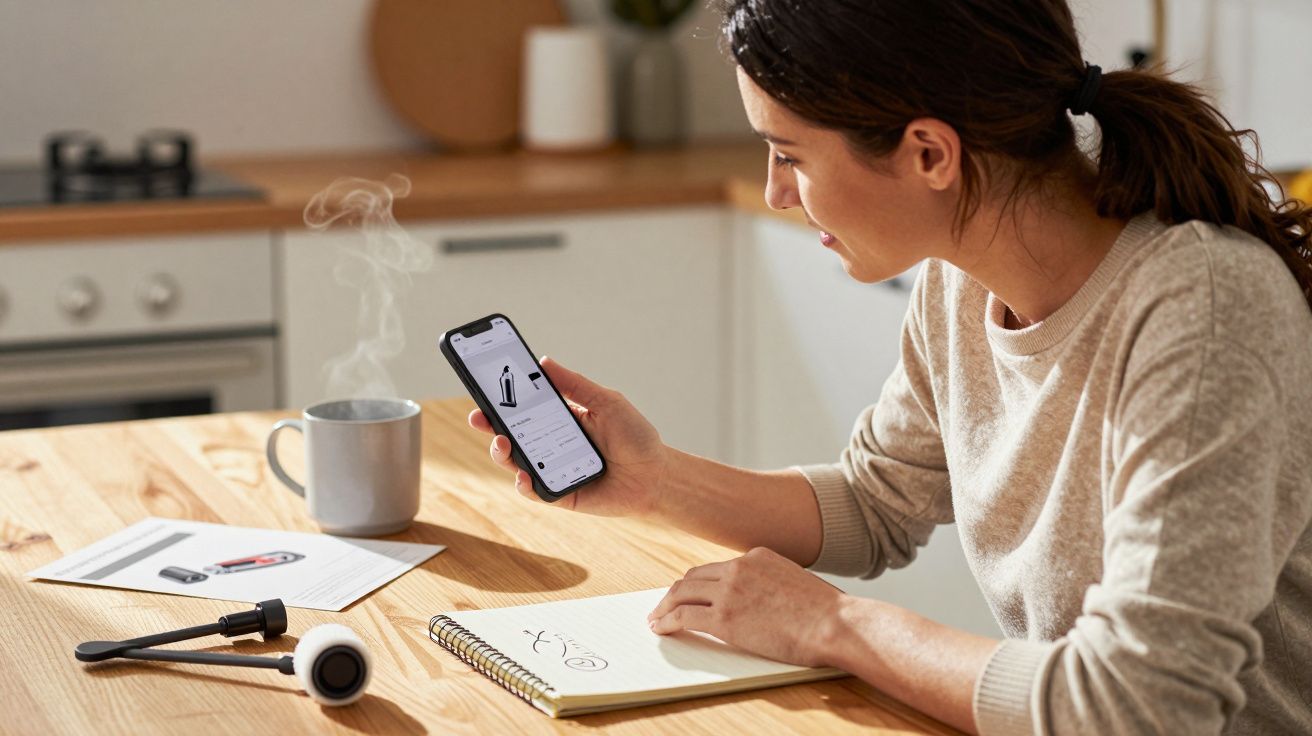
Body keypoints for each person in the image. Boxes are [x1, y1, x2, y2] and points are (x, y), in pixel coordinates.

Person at [469, 1, 1312, 733]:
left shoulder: (1203, 309)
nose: (775, 192)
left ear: (930, 154)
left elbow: (1140, 706)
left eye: (790, 154)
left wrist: (834, 625)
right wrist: (656, 479)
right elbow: (877, 504)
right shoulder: (960, 276)